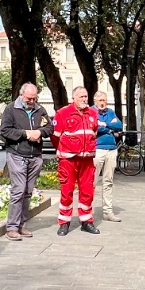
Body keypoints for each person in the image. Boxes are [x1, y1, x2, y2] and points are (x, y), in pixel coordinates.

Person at [0, 82, 52, 242]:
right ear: (22, 95)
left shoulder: (40, 109)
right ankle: (12, 228)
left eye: (34, 98)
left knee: (28, 192)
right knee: (19, 190)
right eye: (29, 98)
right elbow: (5, 131)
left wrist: (39, 132)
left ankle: (22, 225)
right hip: (17, 155)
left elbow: (49, 128)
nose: (32, 101)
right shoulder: (11, 109)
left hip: (35, 156)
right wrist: (25, 134)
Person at [53, 86, 101, 236]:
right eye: (81, 97)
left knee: (87, 191)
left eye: (86, 96)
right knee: (66, 192)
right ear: (73, 98)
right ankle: (64, 223)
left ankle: (86, 221)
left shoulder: (93, 113)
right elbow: (55, 137)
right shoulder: (62, 113)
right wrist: (66, 150)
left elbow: (94, 133)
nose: (84, 99)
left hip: (87, 160)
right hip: (68, 160)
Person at [93, 92, 123, 223]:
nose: (102, 102)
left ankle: (108, 211)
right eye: (100, 100)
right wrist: (110, 129)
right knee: (91, 182)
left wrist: (104, 125)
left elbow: (119, 125)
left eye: (104, 100)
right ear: (95, 100)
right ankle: (87, 212)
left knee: (108, 182)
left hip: (111, 149)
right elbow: (94, 128)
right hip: (97, 149)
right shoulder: (91, 112)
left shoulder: (110, 112)